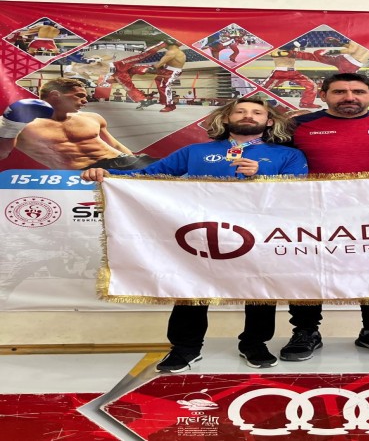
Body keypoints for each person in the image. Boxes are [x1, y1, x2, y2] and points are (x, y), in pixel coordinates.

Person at [81, 97, 308, 373]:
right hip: (203, 231)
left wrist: (264, 174)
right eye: (240, 111)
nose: (248, 115)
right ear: (226, 118)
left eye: (256, 112)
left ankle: (255, 344)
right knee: (192, 288)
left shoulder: (288, 155)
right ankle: (185, 348)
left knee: (259, 290)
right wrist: (107, 174)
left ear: (269, 121)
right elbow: (149, 175)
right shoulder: (195, 151)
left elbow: (299, 192)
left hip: (260, 234)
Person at [278, 72, 369, 362]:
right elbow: (277, 163)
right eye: (339, 92)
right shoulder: (297, 125)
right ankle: (305, 331)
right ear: (323, 95)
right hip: (312, 213)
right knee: (307, 271)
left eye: (358, 92)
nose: (349, 97)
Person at [0, 78, 156, 170]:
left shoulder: (92, 117)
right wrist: (11, 126)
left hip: (125, 162)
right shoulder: (18, 122)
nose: (85, 101)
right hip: (84, 173)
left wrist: (139, 165)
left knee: (169, 173)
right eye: (79, 95)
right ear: (55, 95)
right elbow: (2, 154)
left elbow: (115, 145)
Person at [261, 44, 321, 109]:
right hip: (280, 72)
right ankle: (258, 101)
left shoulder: (292, 49)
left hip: (293, 72)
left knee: (312, 85)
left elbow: (301, 53)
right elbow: (268, 53)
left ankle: (306, 103)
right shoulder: (275, 48)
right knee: (263, 88)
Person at [289, 36, 369, 73]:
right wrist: (339, 44)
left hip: (346, 61)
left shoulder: (358, 36)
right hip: (352, 65)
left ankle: (294, 53)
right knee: (348, 84)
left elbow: (352, 49)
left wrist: (334, 51)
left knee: (317, 56)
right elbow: (354, 49)